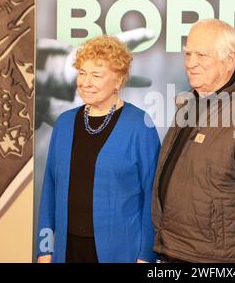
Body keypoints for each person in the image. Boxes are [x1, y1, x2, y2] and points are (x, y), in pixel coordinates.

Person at [151, 19, 235, 263]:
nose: (191, 63)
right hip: (173, 252)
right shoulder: (190, 103)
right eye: (188, 54)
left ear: (229, 60)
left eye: (201, 55)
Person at [36, 35, 160, 263]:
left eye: (96, 75)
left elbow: (153, 196)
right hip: (67, 250)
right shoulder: (64, 123)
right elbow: (50, 190)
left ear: (119, 80)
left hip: (122, 253)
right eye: (82, 73)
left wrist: (146, 257)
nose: (85, 82)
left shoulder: (140, 125)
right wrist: (45, 249)